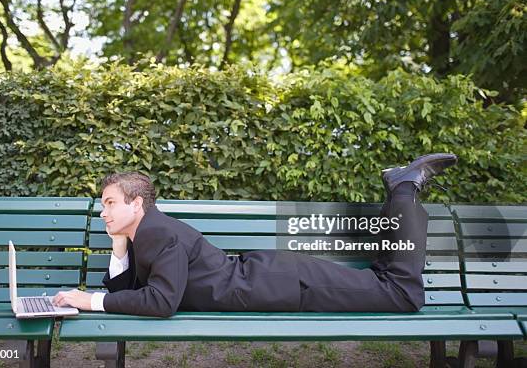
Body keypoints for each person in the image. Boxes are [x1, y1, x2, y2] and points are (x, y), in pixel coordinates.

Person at [52, 153, 457, 317]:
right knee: (381, 280)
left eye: (109, 203)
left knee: (401, 294)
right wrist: (119, 244)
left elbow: (161, 302)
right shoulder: (148, 232)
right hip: (271, 278)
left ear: (136, 204)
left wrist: (91, 300)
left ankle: (404, 188)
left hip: (284, 283)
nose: (103, 211)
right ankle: (397, 193)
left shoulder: (160, 233)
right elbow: (128, 285)